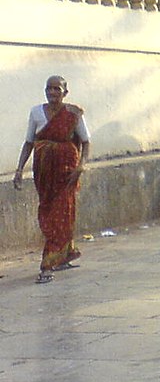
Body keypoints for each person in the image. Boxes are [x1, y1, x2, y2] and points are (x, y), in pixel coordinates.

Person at [12, 75, 91, 284]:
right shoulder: (36, 112)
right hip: (44, 171)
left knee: (63, 212)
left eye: (57, 89)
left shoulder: (74, 113)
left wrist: (81, 166)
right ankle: (64, 254)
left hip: (67, 171)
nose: (52, 93)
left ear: (65, 92)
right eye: (49, 89)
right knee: (48, 212)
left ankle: (47, 265)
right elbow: (29, 142)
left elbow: (85, 141)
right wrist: (19, 169)